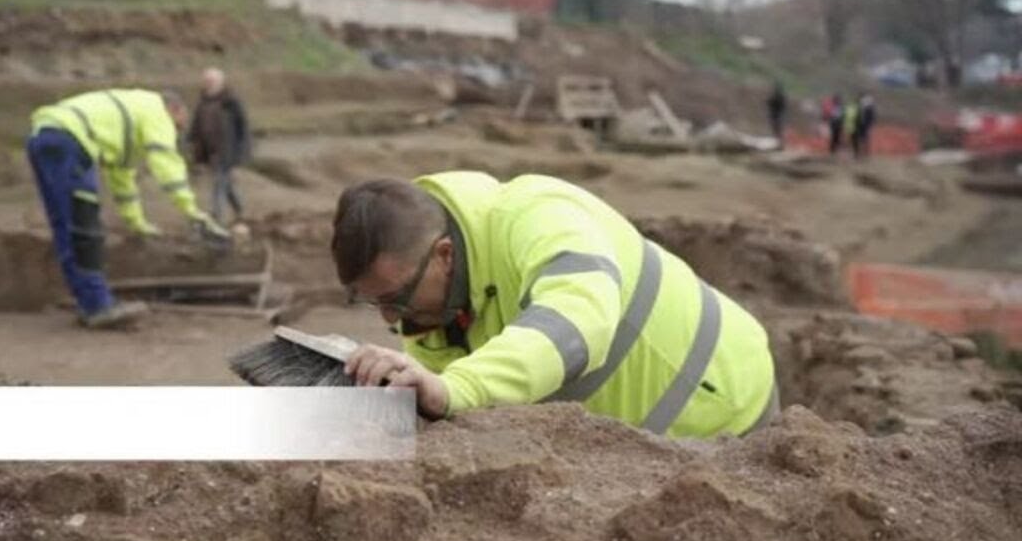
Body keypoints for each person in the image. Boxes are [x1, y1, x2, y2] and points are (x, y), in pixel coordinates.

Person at [331, 172, 779, 438]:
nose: (391, 319)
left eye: (395, 298)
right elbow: (454, 412)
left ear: (445, 255)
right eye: (373, 304)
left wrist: (453, 389)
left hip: (726, 409)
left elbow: (576, 321)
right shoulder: (435, 311)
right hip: (634, 455)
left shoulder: (537, 216)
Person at [27, 87, 230, 329]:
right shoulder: (156, 111)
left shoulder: (129, 120)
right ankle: (99, 306)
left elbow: (122, 181)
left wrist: (138, 224)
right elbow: (166, 163)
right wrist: (193, 212)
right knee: (85, 225)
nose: (177, 132)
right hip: (69, 139)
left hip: (43, 137)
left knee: (66, 223)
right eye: (177, 126)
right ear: (174, 110)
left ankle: (88, 303)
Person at [188, 67, 252, 225]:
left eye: (211, 81)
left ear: (221, 83)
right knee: (226, 185)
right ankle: (240, 210)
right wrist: (191, 143)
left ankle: (217, 216)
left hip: (227, 152)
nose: (208, 84)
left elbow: (243, 129)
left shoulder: (231, 102)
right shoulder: (202, 102)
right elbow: (196, 126)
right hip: (210, 152)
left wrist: (241, 155)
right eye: (206, 81)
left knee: (219, 183)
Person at [854, 93, 876, 158]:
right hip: (861, 125)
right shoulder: (860, 107)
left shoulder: (869, 109)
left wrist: (869, 125)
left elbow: (871, 118)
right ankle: (860, 153)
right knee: (861, 139)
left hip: (865, 125)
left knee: (865, 139)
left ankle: (865, 153)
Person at [766, 82, 787, 148]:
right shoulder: (780, 97)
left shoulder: (778, 97)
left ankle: (779, 140)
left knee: (777, 127)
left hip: (777, 114)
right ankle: (778, 140)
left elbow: (771, 103)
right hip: (777, 114)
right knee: (777, 127)